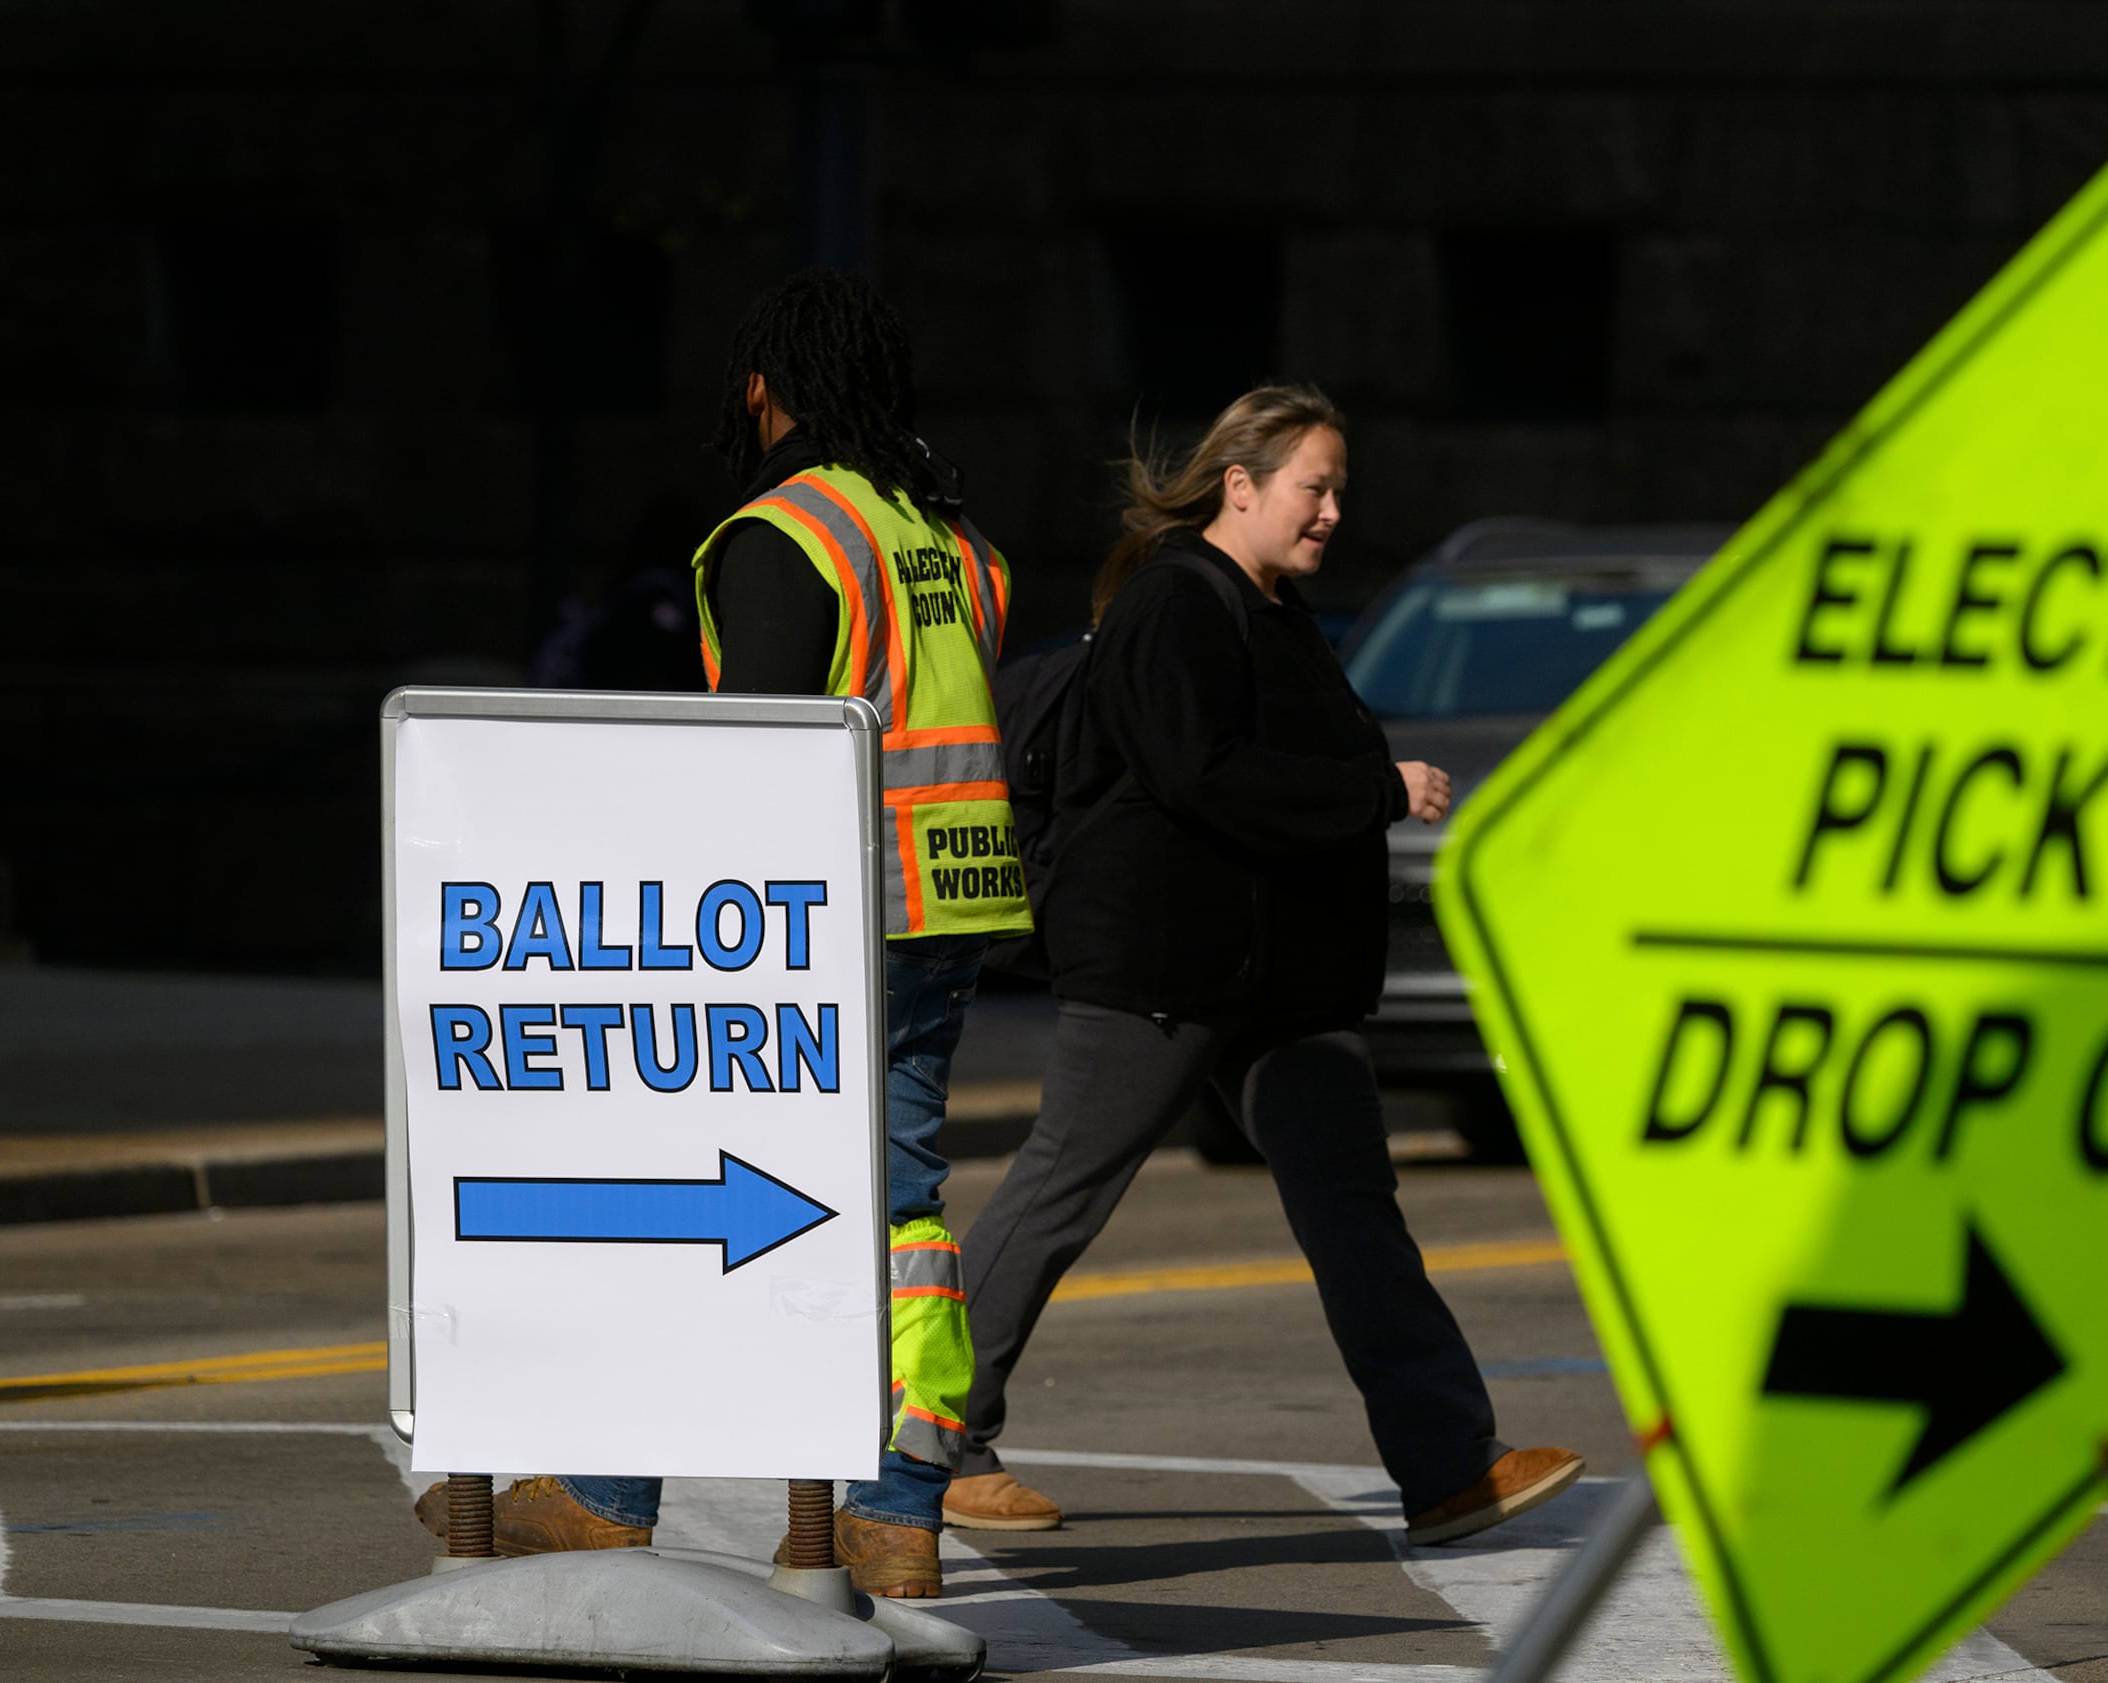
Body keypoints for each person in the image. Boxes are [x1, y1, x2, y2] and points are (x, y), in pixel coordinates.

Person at [414, 268, 1027, 1598]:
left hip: (814, 924)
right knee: (897, 1206)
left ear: (762, 388)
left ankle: (605, 1490)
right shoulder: (947, 532)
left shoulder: (794, 530)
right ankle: (889, 1504)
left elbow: (750, 759)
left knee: (686, 1188)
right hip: (946, 900)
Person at [938, 384, 1584, 1546]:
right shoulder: (1176, 603)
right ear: (1239, 485)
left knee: (1353, 1213)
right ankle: (928, 1442)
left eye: (1339, 490)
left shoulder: (1269, 607)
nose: (1331, 511)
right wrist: (1376, 792)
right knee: (1060, 1191)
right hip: (1164, 968)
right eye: (1312, 487)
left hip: (1276, 982)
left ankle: (1445, 1465)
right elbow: (1202, 775)